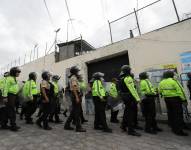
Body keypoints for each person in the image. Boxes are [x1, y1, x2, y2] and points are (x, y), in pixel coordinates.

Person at [159, 71, 188, 136]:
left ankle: (173, 127)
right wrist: (184, 100)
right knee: (178, 114)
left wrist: (164, 95)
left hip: (167, 99)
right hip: (175, 99)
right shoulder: (174, 81)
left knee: (171, 113)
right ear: (171, 75)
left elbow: (160, 91)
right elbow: (181, 91)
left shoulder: (162, 82)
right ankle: (179, 130)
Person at [119, 65, 141, 136]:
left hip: (125, 98)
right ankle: (131, 130)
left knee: (126, 112)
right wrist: (137, 98)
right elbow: (132, 89)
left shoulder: (122, 78)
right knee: (130, 114)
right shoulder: (128, 78)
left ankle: (123, 126)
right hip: (130, 98)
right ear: (128, 70)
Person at [64, 66, 86, 132]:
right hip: (75, 95)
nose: (78, 72)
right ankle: (78, 127)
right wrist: (76, 97)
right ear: (75, 72)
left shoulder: (74, 78)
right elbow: (74, 88)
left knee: (74, 112)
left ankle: (67, 125)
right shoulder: (73, 78)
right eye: (77, 71)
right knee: (77, 112)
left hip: (76, 95)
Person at [1, 67, 21, 131]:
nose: (19, 73)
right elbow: (5, 88)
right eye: (18, 72)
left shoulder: (13, 78)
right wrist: (5, 97)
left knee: (7, 111)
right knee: (12, 111)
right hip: (10, 96)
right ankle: (13, 126)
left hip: (13, 95)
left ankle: (4, 124)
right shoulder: (9, 78)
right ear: (14, 72)